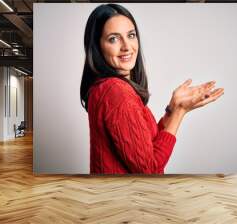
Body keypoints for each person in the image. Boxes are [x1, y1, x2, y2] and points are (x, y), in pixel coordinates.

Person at [80, 4, 224, 174]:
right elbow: (149, 171)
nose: (127, 46)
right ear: (97, 47)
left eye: (131, 35)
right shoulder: (116, 92)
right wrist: (180, 112)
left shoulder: (105, 88)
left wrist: (173, 108)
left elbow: (145, 145)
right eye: (113, 38)